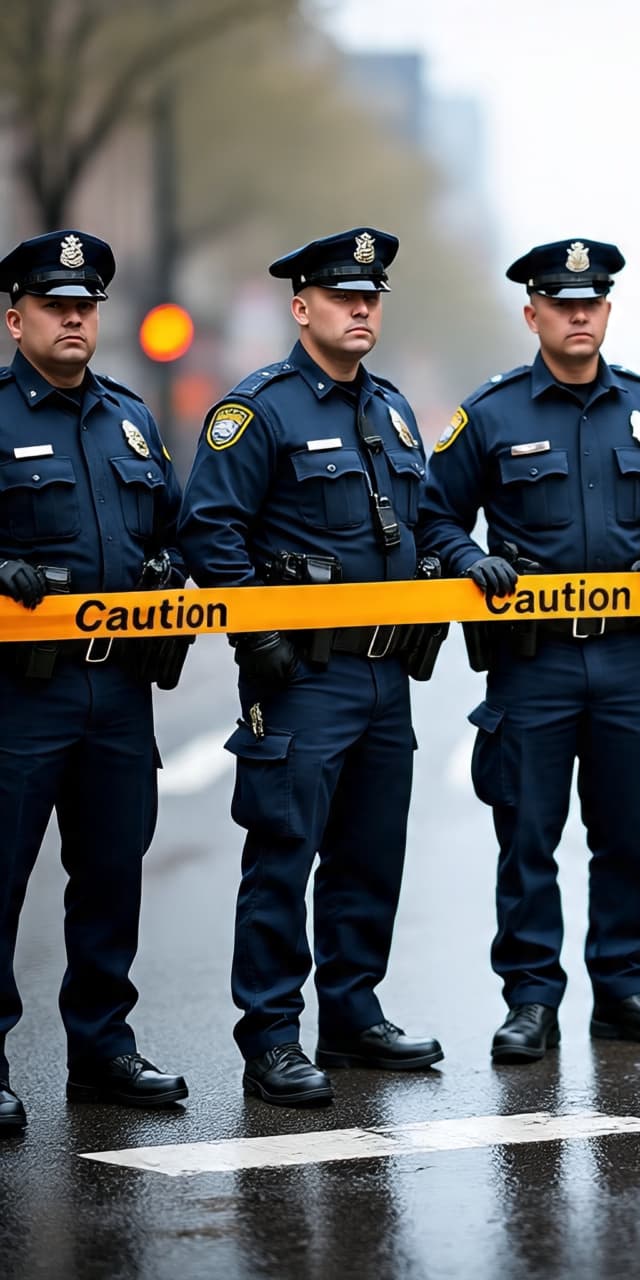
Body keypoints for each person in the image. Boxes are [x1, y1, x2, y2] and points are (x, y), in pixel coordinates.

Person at [422, 238, 640, 1063]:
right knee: (528, 839)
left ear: (608, 313)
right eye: (562, 303)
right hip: (533, 662)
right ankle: (531, 1001)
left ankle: (624, 987)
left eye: (591, 303)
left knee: (627, 832)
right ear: (534, 314)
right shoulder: (491, 414)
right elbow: (434, 514)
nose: (578, 314)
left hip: (627, 662)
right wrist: (466, 558)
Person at [179, 228, 445, 1106]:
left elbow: (422, 515)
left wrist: (448, 567)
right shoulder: (259, 409)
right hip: (302, 679)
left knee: (371, 858)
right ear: (302, 308)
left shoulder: (395, 409)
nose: (362, 308)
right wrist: (259, 640)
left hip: (383, 678)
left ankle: (353, 1014)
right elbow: (208, 528)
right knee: (284, 859)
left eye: (371, 296)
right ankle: (271, 1037)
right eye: (343, 296)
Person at [0, 231, 189, 1132]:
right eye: (54, 305)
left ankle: (104, 1049)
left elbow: (178, 528)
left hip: (120, 694)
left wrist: (169, 571)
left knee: (110, 875)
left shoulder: (130, 418)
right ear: (15, 318)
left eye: (85, 307)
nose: (74, 318)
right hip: (19, 694)